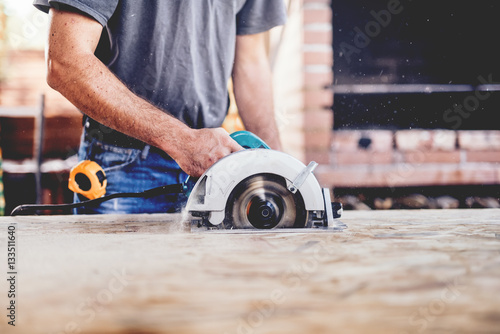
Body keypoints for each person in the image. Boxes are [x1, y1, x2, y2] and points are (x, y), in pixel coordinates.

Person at [33, 0, 286, 214]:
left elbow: (250, 64)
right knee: (116, 272)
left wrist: (282, 173)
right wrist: (182, 141)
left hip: (211, 168)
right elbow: (65, 61)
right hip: (122, 166)